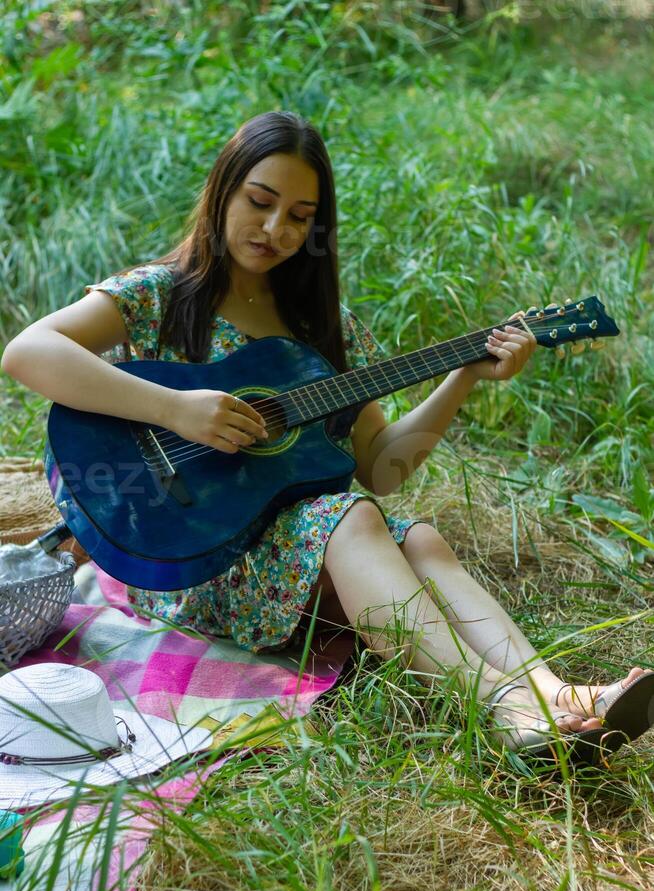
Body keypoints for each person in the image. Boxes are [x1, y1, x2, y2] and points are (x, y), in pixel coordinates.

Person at [2, 110, 652, 764]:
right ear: (223, 191)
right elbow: (28, 352)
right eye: (260, 202)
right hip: (199, 557)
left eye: (299, 215)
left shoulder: (321, 330)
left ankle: (555, 693)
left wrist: (463, 378)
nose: (275, 228)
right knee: (346, 519)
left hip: (305, 550)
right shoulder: (161, 296)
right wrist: (174, 409)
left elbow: (381, 467)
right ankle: (497, 707)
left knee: (418, 535)